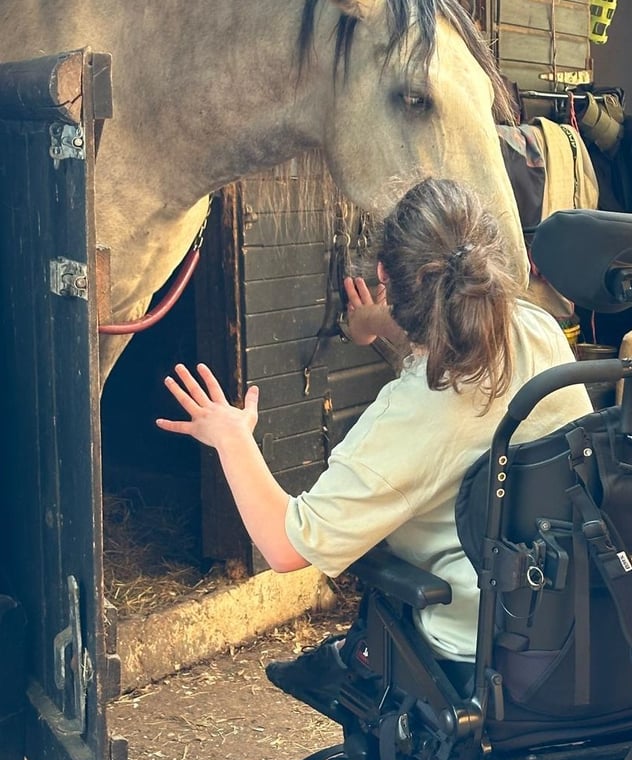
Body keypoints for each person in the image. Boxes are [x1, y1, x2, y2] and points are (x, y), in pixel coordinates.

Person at [156, 177, 593, 709]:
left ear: (384, 277)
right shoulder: (537, 328)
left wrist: (230, 437)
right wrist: (374, 325)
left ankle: (358, 661)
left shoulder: (412, 413)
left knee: (374, 568)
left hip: (478, 635)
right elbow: (459, 323)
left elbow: (286, 546)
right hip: (572, 608)